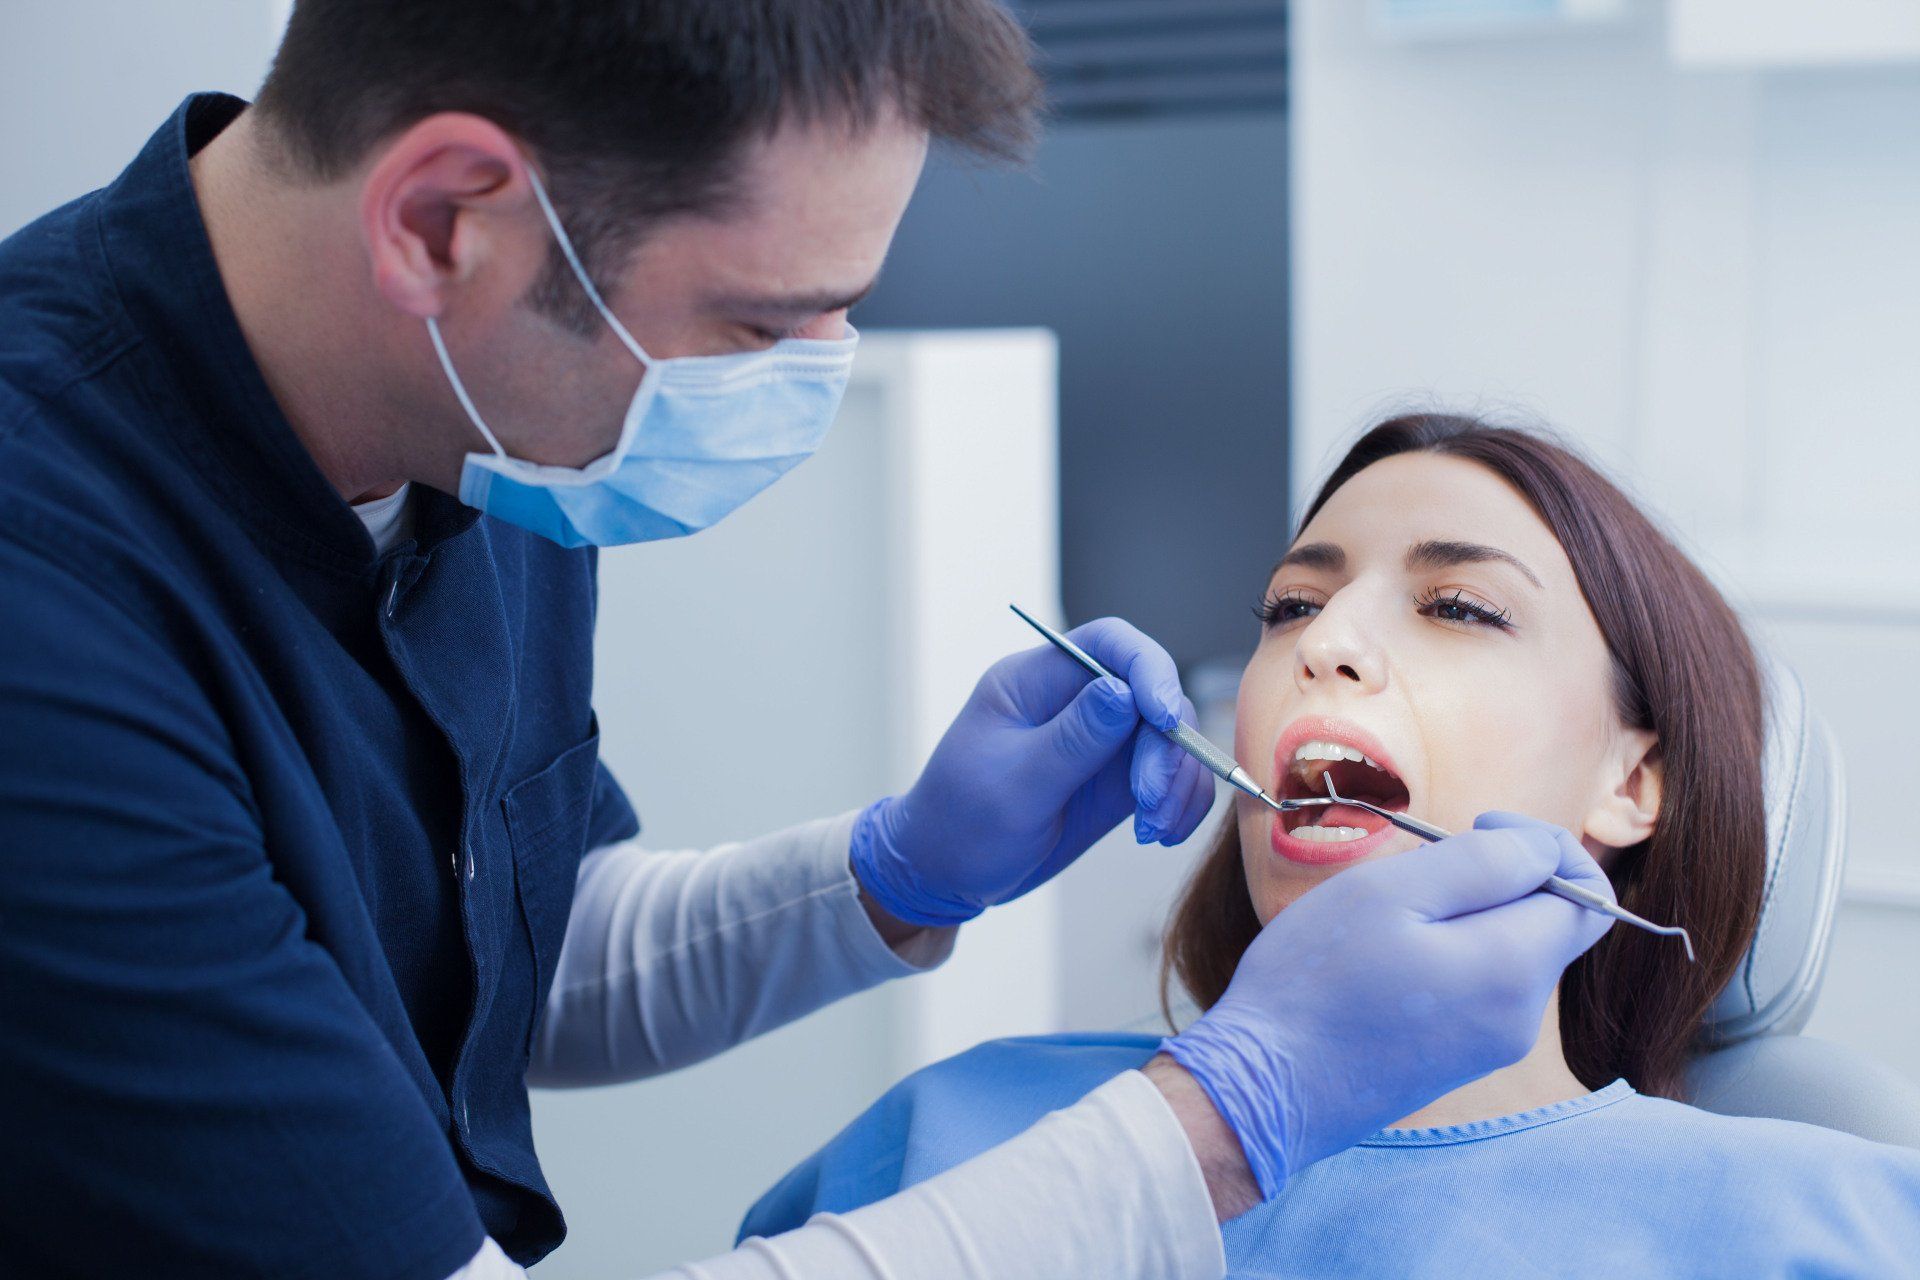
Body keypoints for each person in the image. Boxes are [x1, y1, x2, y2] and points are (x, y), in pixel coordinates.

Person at [0, 2, 1612, 1274]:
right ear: (442, 223)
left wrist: (894, 874)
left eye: (1461, 605)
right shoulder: (47, 620)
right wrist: (1231, 1115)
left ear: (1643, 779)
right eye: (761, 324)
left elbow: (494, 953)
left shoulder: (474, 427)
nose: (814, 369)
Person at [739, 414, 1920, 1276]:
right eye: (1291, 607)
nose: (1328, 642)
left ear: (1633, 780)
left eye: (1459, 607)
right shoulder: (952, 1130)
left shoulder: (1824, 1223)